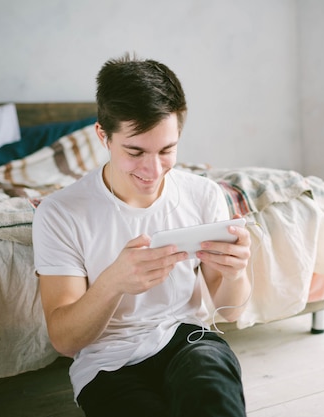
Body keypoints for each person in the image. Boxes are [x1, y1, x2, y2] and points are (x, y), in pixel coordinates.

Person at [32, 53, 251, 416]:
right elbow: (65, 339)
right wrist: (113, 282)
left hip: (190, 340)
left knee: (212, 397)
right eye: (135, 152)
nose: (153, 170)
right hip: (106, 362)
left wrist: (236, 271)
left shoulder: (204, 194)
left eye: (167, 150)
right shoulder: (60, 212)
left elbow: (229, 310)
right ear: (103, 135)